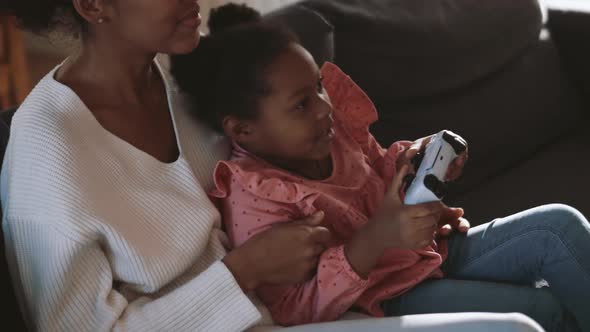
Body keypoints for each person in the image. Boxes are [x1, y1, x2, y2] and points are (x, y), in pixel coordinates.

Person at [0, 1, 549, 332]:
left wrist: (403, 214)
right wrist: (242, 274)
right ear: (95, 5)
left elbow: (303, 190)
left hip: (308, 307)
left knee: (543, 294)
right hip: (281, 312)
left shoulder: (187, 85)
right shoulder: (47, 150)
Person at [171, 4, 590, 332]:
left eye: (318, 86)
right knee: (540, 310)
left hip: (425, 253)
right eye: (301, 104)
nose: (323, 108)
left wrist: (416, 160)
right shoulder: (258, 197)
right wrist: (377, 237)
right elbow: (293, 310)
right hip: (385, 296)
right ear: (244, 130)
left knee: (558, 227)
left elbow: (379, 166)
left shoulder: (332, 134)